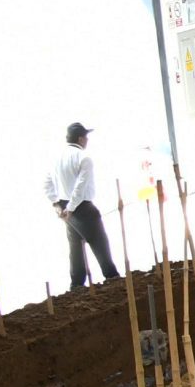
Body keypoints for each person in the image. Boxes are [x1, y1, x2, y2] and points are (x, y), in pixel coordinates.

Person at [48, 122, 118, 288]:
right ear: (80, 139)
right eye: (86, 137)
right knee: (99, 243)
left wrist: (58, 205)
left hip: (66, 208)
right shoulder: (83, 158)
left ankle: (77, 285)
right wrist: (70, 208)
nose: (87, 140)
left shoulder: (57, 158)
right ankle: (113, 278)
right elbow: (80, 187)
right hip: (81, 208)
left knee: (75, 248)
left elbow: (47, 183)